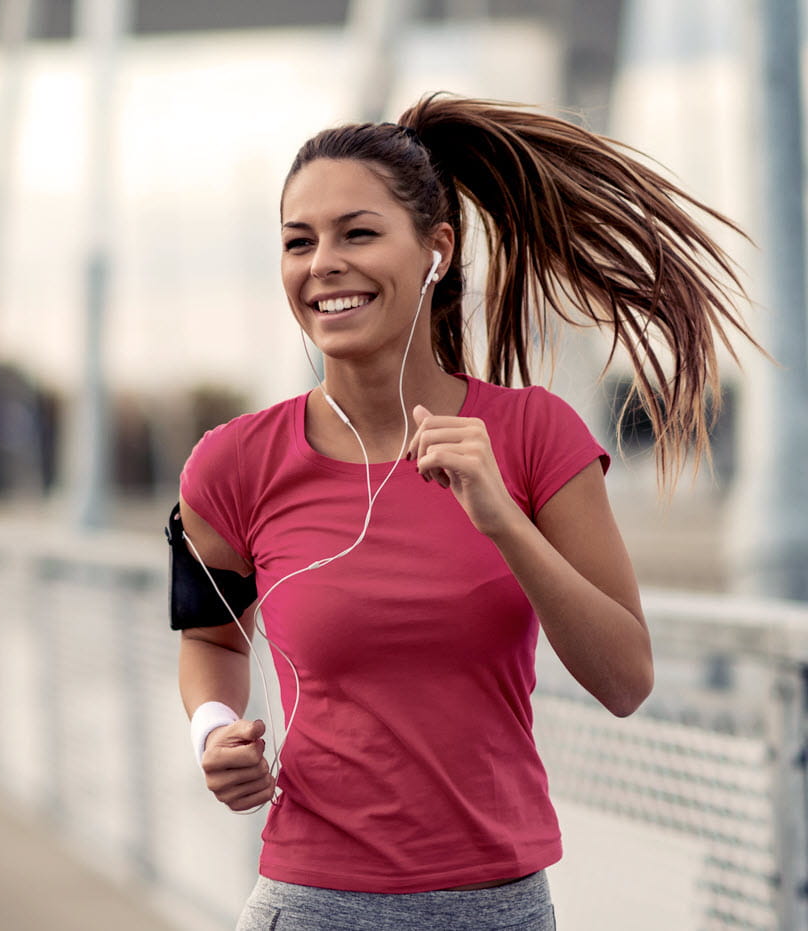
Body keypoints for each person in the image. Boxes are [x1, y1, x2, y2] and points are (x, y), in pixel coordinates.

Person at [174, 93, 756, 930]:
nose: (322, 262)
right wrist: (212, 731)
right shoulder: (230, 462)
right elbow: (209, 637)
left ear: (435, 251)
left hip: (500, 909)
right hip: (310, 906)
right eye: (299, 242)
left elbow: (627, 678)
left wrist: (502, 521)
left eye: (357, 233)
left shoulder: (533, 436)